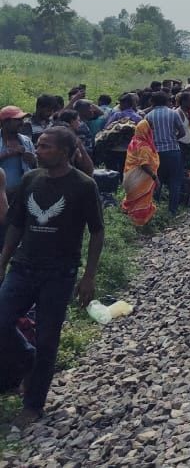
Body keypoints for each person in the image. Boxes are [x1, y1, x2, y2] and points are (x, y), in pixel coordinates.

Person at [0, 125, 104, 427]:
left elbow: (97, 231)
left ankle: (33, 405)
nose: (38, 149)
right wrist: (3, 261)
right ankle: (27, 359)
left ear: (65, 152)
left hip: (59, 273)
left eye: (46, 146)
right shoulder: (31, 179)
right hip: (23, 267)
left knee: (48, 339)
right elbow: (16, 224)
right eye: (39, 144)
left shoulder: (83, 185)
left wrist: (89, 276)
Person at [147, 91, 190, 215]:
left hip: (156, 152)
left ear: (153, 102)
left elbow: (147, 135)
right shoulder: (173, 113)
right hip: (173, 151)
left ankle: (154, 208)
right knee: (175, 181)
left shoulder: (148, 116)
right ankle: (173, 210)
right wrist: (173, 139)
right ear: (166, 101)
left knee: (158, 179)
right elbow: (182, 132)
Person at [0, 107, 36, 202]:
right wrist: (7, 154)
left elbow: (35, 166)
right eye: (18, 120)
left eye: (22, 120)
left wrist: (33, 161)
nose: (22, 123)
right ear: (5, 122)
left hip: (22, 194)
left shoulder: (26, 141)